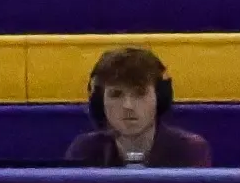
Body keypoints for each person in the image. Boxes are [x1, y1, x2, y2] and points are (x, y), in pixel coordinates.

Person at [63, 47, 212, 167]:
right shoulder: (84, 150)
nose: (128, 106)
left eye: (140, 93)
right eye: (116, 94)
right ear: (99, 102)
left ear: (159, 98)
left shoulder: (189, 150)